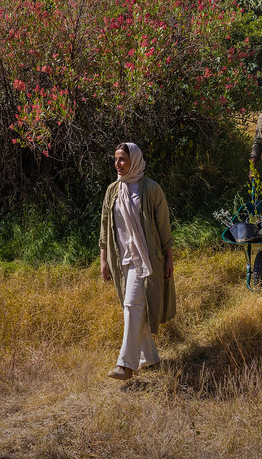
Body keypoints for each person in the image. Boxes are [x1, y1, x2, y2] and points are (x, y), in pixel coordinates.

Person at [99, 142, 175, 381]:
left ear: (135, 160)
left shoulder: (151, 189)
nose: (117, 164)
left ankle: (126, 364)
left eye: (122, 159)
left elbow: (163, 225)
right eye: (115, 159)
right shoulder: (113, 190)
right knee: (133, 308)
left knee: (132, 305)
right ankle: (150, 358)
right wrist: (104, 260)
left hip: (146, 258)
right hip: (121, 258)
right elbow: (104, 227)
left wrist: (169, 257)